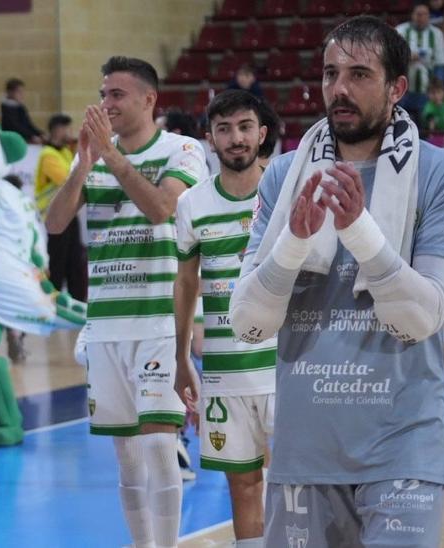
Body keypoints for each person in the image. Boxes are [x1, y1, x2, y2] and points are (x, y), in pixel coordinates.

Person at [229, 16, 444, 547]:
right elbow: (247, 323)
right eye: (330, 73)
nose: (339, 88)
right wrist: (293, 244)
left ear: (396, 89)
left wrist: (359, 231)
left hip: (403, 448)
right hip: (305, 451)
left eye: (360, 74)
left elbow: (421, 316)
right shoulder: (284, 175)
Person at [43, 56, 207, 548]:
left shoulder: (183, 149)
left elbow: (163, 208)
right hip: (107, 324)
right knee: (128, 458)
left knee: (159, 447)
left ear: (148, 100)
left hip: (158, 318)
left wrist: (113, 161)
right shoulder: (95, 154)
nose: (105, 103)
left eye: (116, 94)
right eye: (103, 93)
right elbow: (54, 223)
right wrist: (84, 165)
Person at [173, 90, 277, 548]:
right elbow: (186, 284)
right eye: (224, 129)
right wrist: (181, 359)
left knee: (300, 486)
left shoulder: (285, 191)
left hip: (284, 369)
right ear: (210, 139)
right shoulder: (193, 204)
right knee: (243, 484)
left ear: (262, 133)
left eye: (244, 126)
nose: (235, 138)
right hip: (224, 373)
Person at [35, 113, 86, 301]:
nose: (69, 133)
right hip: (53, 215)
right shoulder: (47, 155)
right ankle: (54, 299)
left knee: (75, 257)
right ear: (57, 130)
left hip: (70, 212)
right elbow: (65, 178)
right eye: (66, 129)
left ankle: (78, 299)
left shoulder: (64, 152)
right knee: (58, 259)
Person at [0, 78, 44, 144]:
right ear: (10, 92)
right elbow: (15, 128)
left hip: (26, 138)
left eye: (22, 92)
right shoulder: (7, 109)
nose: (22, 95)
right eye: (19, 92)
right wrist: (31, 137)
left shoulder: (20, 107)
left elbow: (29, 125)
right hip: (15, 142)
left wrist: (40, 134)